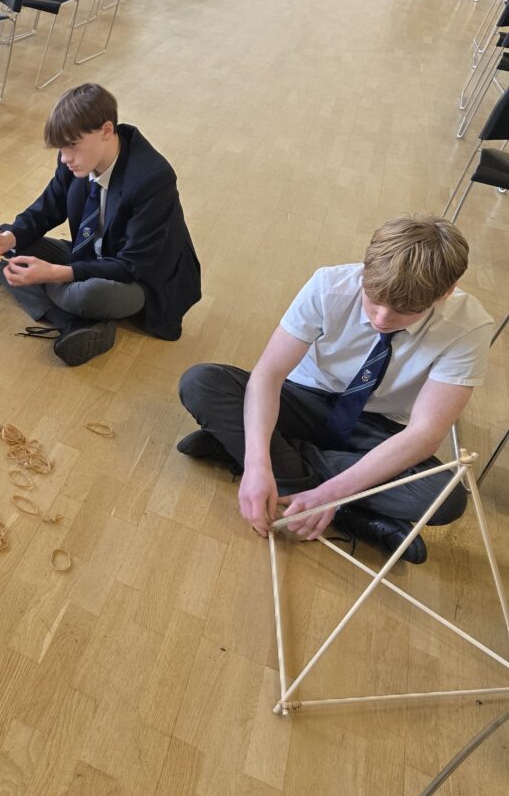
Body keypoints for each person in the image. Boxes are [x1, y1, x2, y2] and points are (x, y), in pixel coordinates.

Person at [177, 215, 493, 564]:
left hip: (376, 426)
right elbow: (269, 374)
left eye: (406, 311)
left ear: (446, 293)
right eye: (373, 299)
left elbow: (424, 434)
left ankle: (247, 451)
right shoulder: (330, 285)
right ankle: (351, 516)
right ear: (365, 270)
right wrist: (255, 466)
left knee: (444, 497)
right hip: (303, 399)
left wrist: (330, 491)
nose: (383, 318)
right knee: (202, 382)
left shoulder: (470, 327)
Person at [0, 83, 202, 366]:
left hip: (138, 281)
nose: (65, 158)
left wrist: (53, 273)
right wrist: (9, 238)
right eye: (61, 148)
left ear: (106, 130)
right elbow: (46, 209)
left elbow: (131, 266)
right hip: (89, 256)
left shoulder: (152, 179)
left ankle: (68, 308)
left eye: (72, 146)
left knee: (86, 294)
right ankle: (70, 323)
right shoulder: (73, 161)